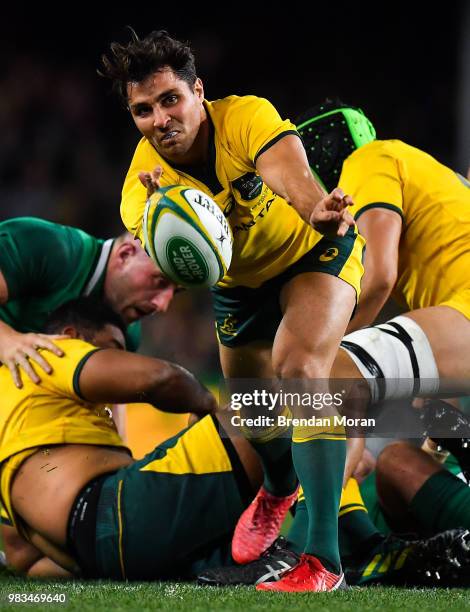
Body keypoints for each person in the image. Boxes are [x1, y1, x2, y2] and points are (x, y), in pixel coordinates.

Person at [99, 29, 365, 592]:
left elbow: (293, 176)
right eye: (142, 110)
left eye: (170, 99)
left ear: (199, 91)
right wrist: (161, 224)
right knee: (252, 413)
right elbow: (167, 265)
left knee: (299, 368)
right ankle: (277, 485)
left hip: (314, 248)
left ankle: (323, 562)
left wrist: (316, 208)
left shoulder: (244, 117)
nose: (159, 118)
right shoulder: (141, 185)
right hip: (241, 286)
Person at [0, 296, 266, 579]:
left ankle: (242, 560)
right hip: (118, 513)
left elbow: (24, 558)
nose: (119, 359)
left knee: (241, 551)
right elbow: (162, 378)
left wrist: (99, 568)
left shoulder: (15, 409)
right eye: (113, 349)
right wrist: (208, 407)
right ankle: (311, 550)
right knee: (279, 403)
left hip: (101, 556)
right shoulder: (49, 352)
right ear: (71, 336)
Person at [0, 216, 178, 388]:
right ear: (125, 254)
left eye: (176, 292)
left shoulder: (126, 334)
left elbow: (108, 403)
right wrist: (8, 341)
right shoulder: (49, 246)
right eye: (160, 282)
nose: (163, 305)